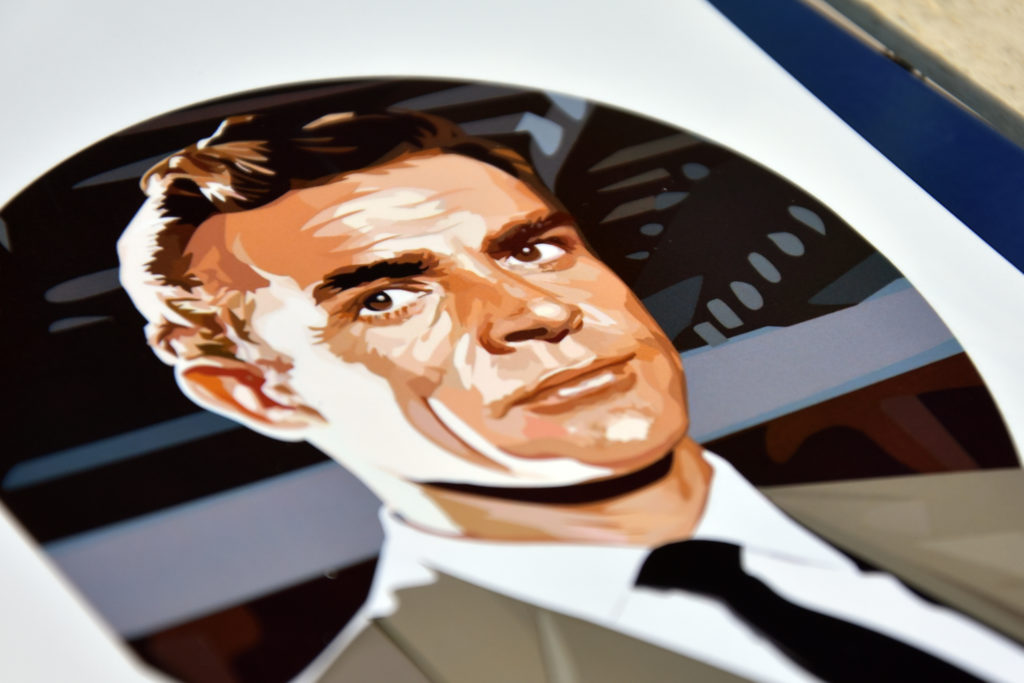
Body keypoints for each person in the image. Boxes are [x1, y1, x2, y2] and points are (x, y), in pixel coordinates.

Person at [119, 110, 1023, 681]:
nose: (537, 311)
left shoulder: (995, 508)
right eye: (387, 297)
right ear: (255, 391)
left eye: (532, 248)